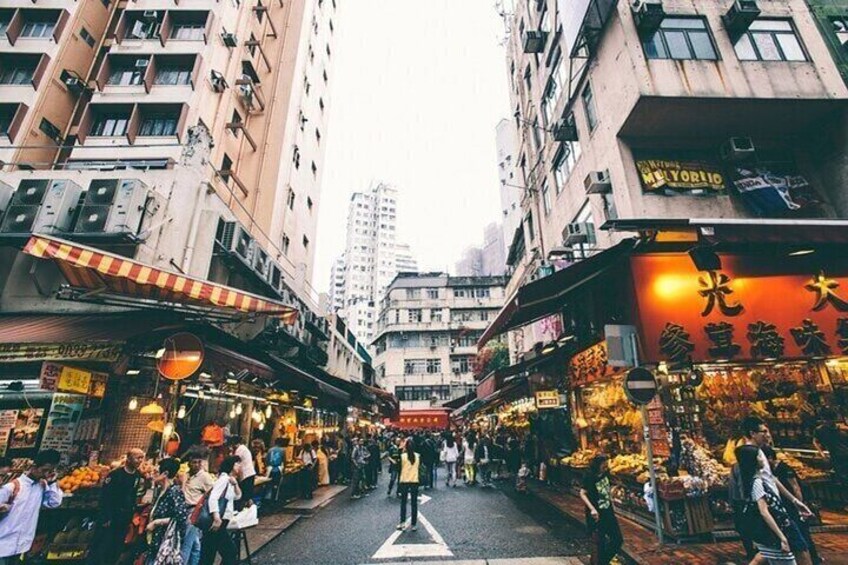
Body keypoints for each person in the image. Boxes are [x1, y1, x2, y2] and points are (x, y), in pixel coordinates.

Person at [742, 417, 814, 565]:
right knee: (799, 548)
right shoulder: (751, 455)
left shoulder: (760, 453)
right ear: (752, 433)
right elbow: (761, 496)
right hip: (775, 511)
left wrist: (794, 501)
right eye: (764, 431)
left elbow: (772, 479)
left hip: (777, 508)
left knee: (780, 551)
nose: (768, 435)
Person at [737, 444, 804, 565]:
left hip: (774, 533)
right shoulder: (757, 483)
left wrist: (795, 501)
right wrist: (782, 537)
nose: (763, 459)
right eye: (759, 457)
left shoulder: (759, 479)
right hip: (773, 534)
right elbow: (764, 512)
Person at [0, 449, 62, 562]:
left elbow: (54, 503)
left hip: (22, 546)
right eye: (44, 470)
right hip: (3, 544)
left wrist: (52, 482)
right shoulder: (13, 486)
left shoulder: (42, 487)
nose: (46, 474)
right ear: (34, 467)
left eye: (50, 471)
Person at [763, 447, 821, 565]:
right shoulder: (771, 471)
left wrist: (799, 505)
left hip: (793, 506)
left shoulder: (785, 468)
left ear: (769, 458)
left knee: (803, 533)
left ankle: (814, 558)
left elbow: (795, 487)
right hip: (786, 505)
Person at [89, 448, 145, 564]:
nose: (139, 461)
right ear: (128, 459)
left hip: (124, 517)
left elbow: (133, 495)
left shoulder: (137, 476)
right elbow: (106, 497)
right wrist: (106, 517)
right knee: (103, 545)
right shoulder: (115, 475)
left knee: (117, 545)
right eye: (137, 458)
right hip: (111, 516)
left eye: (141, 458)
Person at [579, 454, 623, 565]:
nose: (606, 467)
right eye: (604, 465)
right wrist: (592, 509)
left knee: (617, 539)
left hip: (608, 512)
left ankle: (602, 561)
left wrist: (614, 491)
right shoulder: (589, 476)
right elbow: (582, 493)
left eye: (606, 465)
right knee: (600, 542)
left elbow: (605, 491)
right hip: (596, 515)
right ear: (597, 465)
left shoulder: (605, 474)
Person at [199, 455, 242, 565]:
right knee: (230, 552)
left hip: (220, 522)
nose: (240, 466)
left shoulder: (230, 480)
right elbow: (213, 498)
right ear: (231, 466)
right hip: (217, 522)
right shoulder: (224, 479)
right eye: (237, 464)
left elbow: (238, 496)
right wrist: (217, 518)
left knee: (209, 553)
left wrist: (235, 484)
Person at [145, 458, 189, 565]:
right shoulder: (160, 490)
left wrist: (156, 522)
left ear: (165, 473)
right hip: (154, 541)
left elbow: (181, 517)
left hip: (164, 543)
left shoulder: (174, 491)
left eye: (156, 472)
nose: (152, 475)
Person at [181, 449, 214, 565]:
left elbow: (212, 492)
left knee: (186, 543)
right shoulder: (187, 475)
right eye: (194, 462)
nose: (196, 465)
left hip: (195, 512)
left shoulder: (205, 477)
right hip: (185, 510)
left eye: (198, 462)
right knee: (195, 544)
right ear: (189, 463)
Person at [814, 408, 848, 485]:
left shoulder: (843, 428)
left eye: (830, 420)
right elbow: (815, 441)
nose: (827, 422)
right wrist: (821, 453)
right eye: (825, 420)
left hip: (844, 456)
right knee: (842, 479)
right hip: (836, 457)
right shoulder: (820, 430)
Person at [397, 438, 420, 531]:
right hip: (414, 481)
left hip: (404, 481)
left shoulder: (402, 456)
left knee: (403, 503)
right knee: (414, 504)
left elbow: (399, 468)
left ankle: (402, 523)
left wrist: (402, 449)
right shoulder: (418, 456)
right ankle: (413, 525)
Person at [228, 436, 255, 509]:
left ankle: (245, 511)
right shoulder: (243, 448)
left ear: (234, 443)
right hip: (249, 474)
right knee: (248, 496)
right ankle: (250, 510)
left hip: (246, 475)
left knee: (244, 496)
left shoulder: (240, 450)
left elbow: (234, 462)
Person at [265, 438, 286, 502]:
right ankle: (274, 498)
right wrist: (284, 469)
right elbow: (284, 460)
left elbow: (267, 460)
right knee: (276, 484)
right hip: (278, 468)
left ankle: (267, 498)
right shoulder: (282, 450)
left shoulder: (270, 450)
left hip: (270, 468)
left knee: (269, 484)